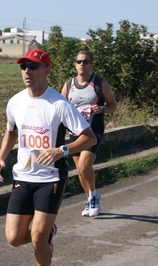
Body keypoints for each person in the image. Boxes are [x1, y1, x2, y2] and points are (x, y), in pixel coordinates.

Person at [0, 48, 96, 266]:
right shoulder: (15, 102)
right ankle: (47, 234)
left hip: (50, 179)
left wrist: (62, 150)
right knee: (13, 238)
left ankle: (43, 237)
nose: (26, 71)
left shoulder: (59, 104)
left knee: (38, 238)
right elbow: (11, 131)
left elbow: (90, 138)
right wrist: (1, 157)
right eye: (23, 67)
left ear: (46, 70)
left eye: (33, 66)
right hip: (23, 176)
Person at [60, 50, 117, 217]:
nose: (81, 65)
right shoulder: (69, 84)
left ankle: (93, 196)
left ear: (92, 64)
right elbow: (60, 107)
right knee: (80, 170)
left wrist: (102, 108)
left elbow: (113, 106)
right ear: (75, 64)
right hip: (74, 133)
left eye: (85, 62)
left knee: (85, 166)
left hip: (93, 132)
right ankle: (90, 198)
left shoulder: (99, 83)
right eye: (78, 61)